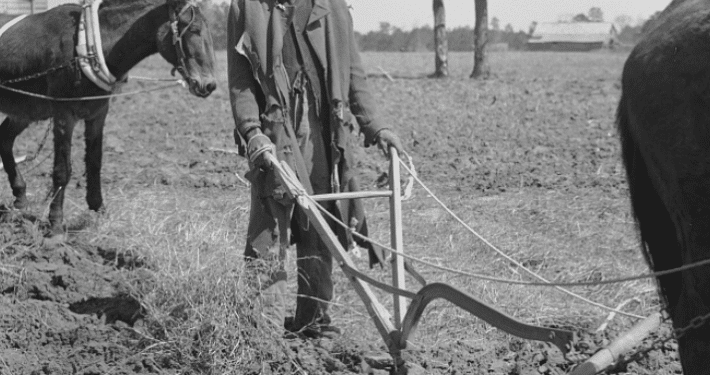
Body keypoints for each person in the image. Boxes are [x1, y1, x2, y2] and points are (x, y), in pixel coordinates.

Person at [227, 0, 404, 338]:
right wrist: (252, 131)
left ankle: (313, 320)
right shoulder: (247, 8)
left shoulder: (332, 7)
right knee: (270, 231)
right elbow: (241, 82)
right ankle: (263, 332)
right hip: (275, 131)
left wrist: (376, 126)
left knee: (319, 225)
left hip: (322, 129)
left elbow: (353, 74)